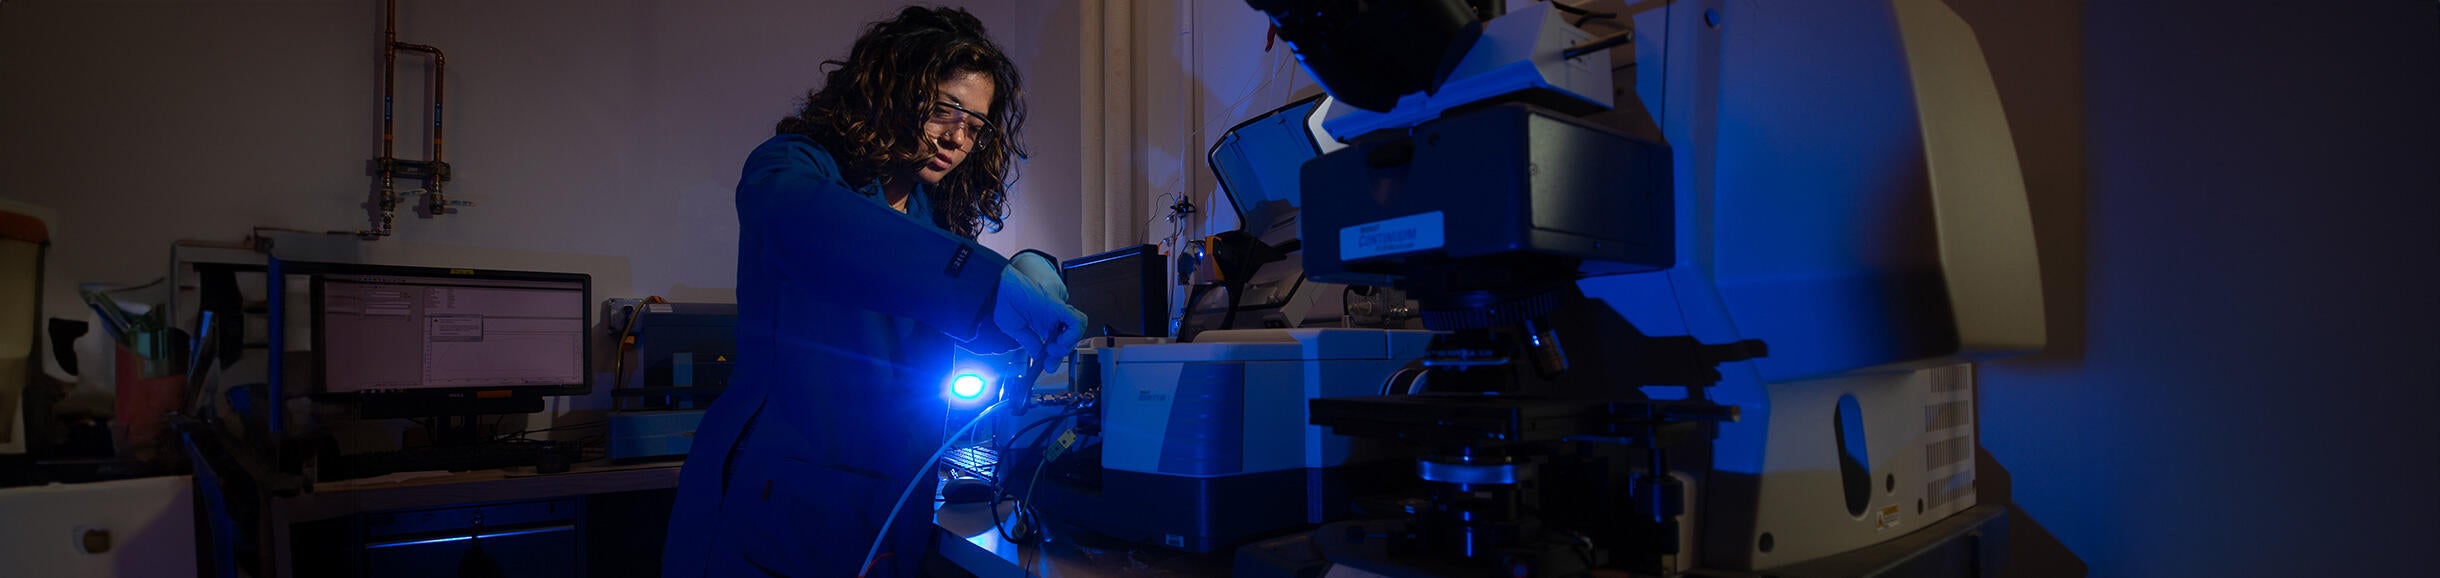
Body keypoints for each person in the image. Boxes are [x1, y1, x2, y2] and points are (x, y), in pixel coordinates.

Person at [661, 6, 1085, 577]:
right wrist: (986, 280)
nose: (959, 137)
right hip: (775, 507)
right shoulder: (793, 168)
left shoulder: (935, 223)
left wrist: (1032, 267)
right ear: (891, 91)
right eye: (945, 109)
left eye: (976, 124)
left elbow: (961, 316)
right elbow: (814, 227)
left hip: (889, 508)